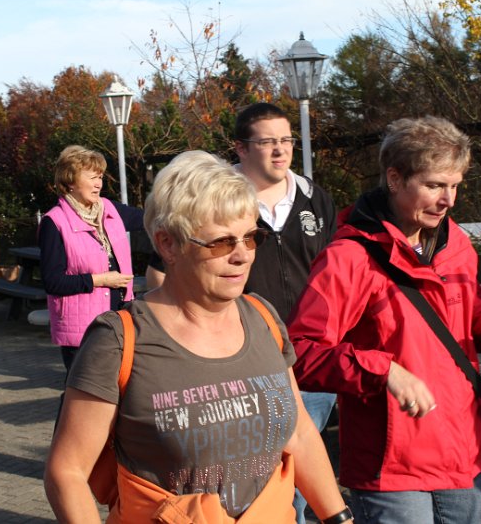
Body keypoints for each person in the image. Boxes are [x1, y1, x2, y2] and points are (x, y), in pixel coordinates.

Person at [44, 151, 352, 524]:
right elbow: (67, 471)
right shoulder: (119, 340)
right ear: (168, 244)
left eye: (251, 237)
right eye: (221, 243)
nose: (242, 256)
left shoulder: (263, 319)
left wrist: (339, 518)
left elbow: (300, 433)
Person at [287, 116, 481, 524]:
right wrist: (383, 370)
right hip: (393, 467)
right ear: (394, 178)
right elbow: (300, 352)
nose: (449, 200)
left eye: (455, 185)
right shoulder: (348, 257)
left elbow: (463, 322)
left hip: (465, 451)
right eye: (435, 185)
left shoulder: (456, 244)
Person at [146, 103, 339, 523]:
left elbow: (337, 275)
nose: (280, 150)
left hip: (307, 359)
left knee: (295, 471)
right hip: (235, 362)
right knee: (244, 471)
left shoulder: (315, 199)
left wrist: (339, 517)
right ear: (241, 148)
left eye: (286, 140)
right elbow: (70, 469)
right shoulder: (207, 199)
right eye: (268, 141)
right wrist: (177, 332)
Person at [38, 145, 140, 374]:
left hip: (120, 319)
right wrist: (99, 280)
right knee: (85, 391)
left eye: (100, 177)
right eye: (92, 177)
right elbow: (53, 282)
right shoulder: (54, 222)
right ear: (70, 181)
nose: (98, 184)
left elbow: (151, 218)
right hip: (82, 330)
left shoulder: (110, 209)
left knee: (121, 387)